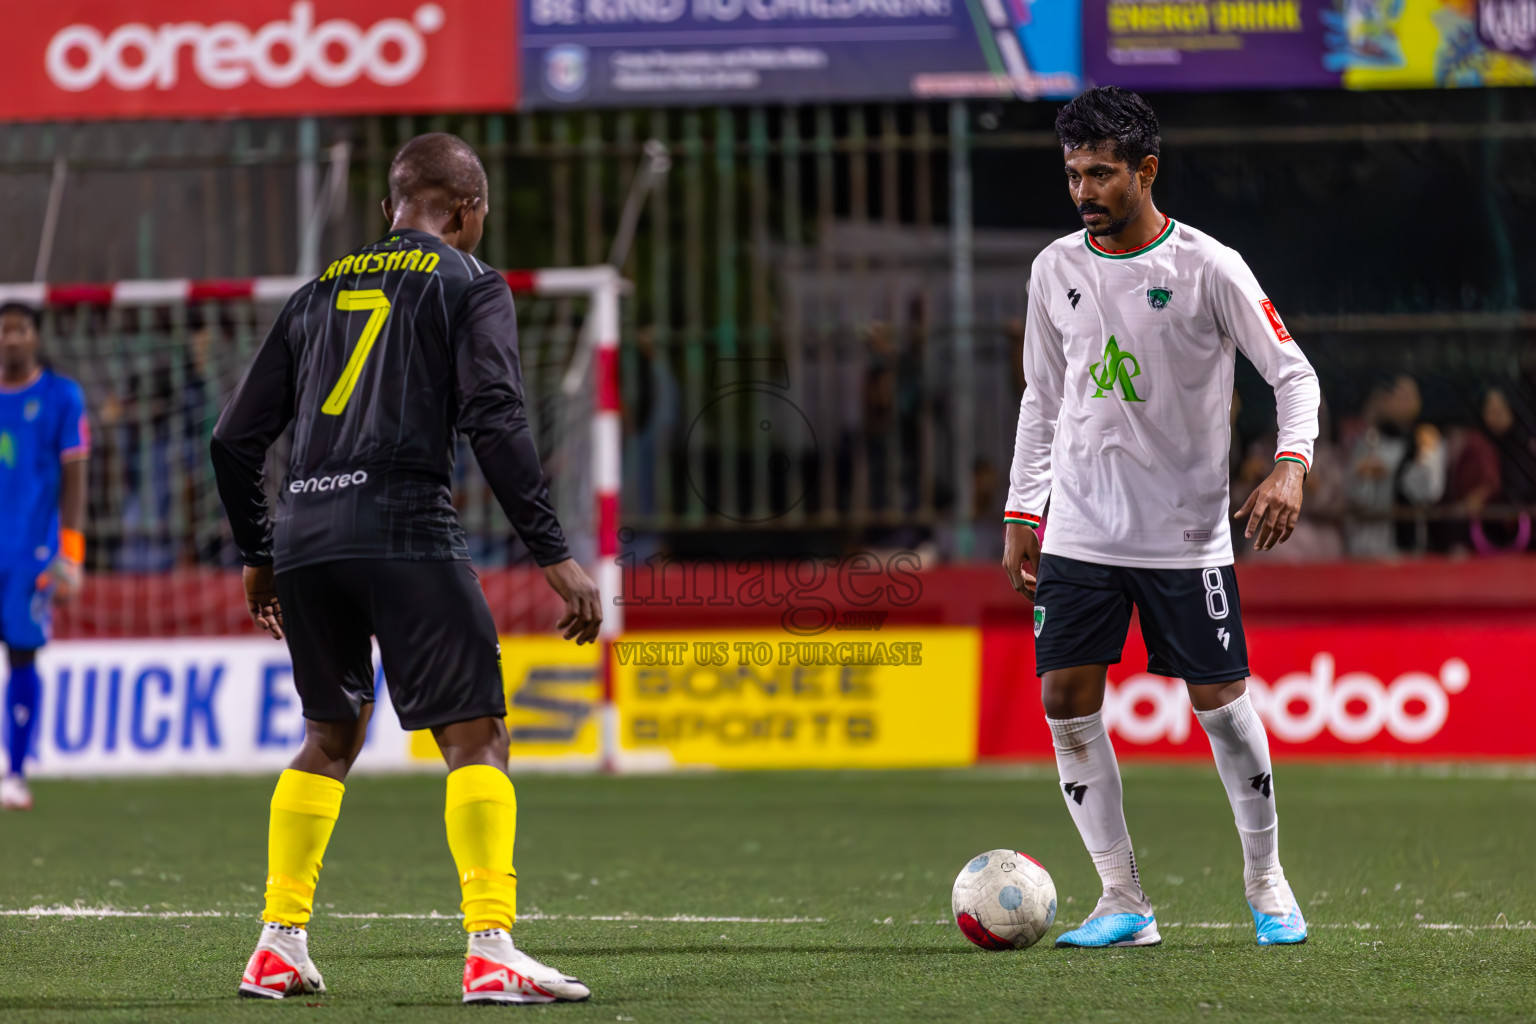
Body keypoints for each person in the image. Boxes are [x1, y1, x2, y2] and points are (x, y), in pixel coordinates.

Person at [211, 133, 603, 1004]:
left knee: (329, 735)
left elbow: (233, 437)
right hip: (403, 527)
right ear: (466, 210)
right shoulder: (469, 281)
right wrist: (554, 553)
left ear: (393, 205)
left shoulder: (316, 293)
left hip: (307, 536)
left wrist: (258, 554)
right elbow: (496, 418)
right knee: (476, 736)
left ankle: (278, 943)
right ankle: (491, 946)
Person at [1002, 87, 1318, 949]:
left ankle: (1267, 880)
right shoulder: (1053, 270)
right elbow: (1042, 397)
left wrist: (1290, 467)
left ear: (1145, 170)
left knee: (1221, 707)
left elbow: (1295, 376)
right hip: (1078, 535)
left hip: (1184, 536)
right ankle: (1123, 901)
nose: (1083, 191)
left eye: (1101, 173)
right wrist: (1023, 508)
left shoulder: (1211, 268)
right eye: (1073, 173)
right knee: (1065, 705)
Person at [0, 303, 90, 811]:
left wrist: (71, 553)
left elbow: (75, 475)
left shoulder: (61, 396)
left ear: (35, 337)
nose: (11, 338)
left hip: (30, 555)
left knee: (22, 657)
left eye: (20, 329)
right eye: (3, 330)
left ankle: (14, 773)